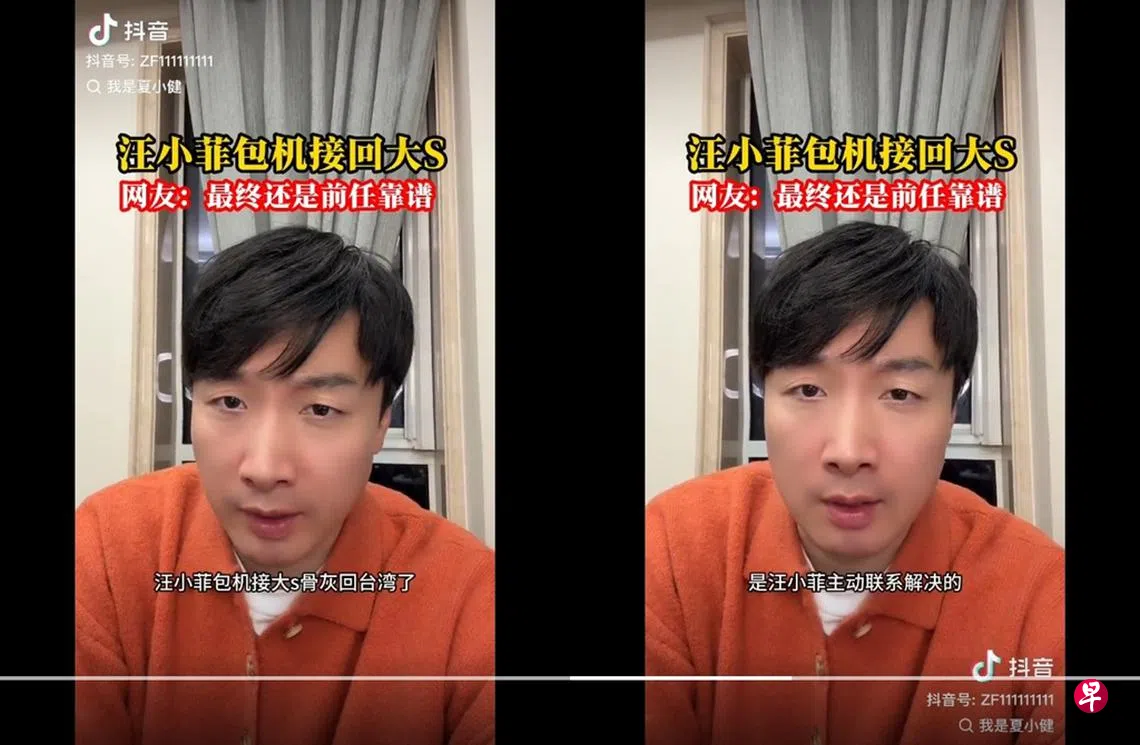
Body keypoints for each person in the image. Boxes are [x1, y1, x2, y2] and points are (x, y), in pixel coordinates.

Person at [645, 222, 1063, 745]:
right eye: (808, 389)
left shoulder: (1038, 592)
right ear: (764, 397)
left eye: (900, 394)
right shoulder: (671, 550)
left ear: (952, 409)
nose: (848, 452)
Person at [76, 226, 494, 745]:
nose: (264, 467)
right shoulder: (107, 549)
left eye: (320, 409)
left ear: (382, 422)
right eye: (230, 402)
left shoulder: (467, 595)